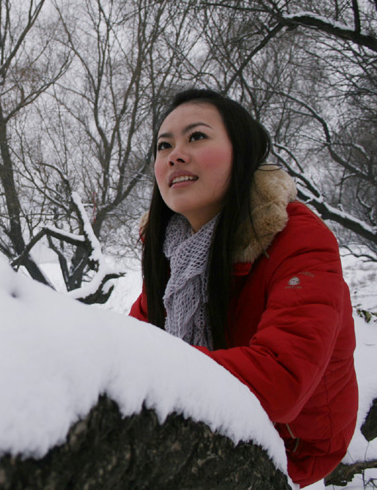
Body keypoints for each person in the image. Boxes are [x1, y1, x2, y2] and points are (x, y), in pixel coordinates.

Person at [129, 88, 357, 487]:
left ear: (242, 152)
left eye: (196, 137)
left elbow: (282, 380)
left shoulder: (298, 237)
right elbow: (137, 334)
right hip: (204, 422)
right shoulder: (171, 249)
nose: (174, 154)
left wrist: (146, 371)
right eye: (164, 145)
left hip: (291, 444)